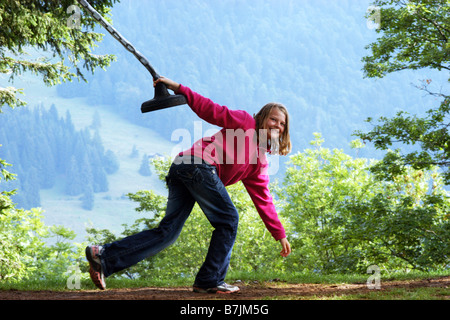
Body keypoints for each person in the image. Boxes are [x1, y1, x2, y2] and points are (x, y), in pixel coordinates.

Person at [86, 77, 292, 293]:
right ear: (261, 118)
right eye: (273, 119)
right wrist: (178, 88)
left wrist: (280, 234)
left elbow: (263, 199)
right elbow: (211, 109)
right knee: (229, 219)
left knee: (168, 233)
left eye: (282, 123)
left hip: (185, 168)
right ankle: (209, 280)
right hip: (197, 166)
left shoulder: (258, 162)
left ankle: (104, 256)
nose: (277, 125)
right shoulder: (244, 122)